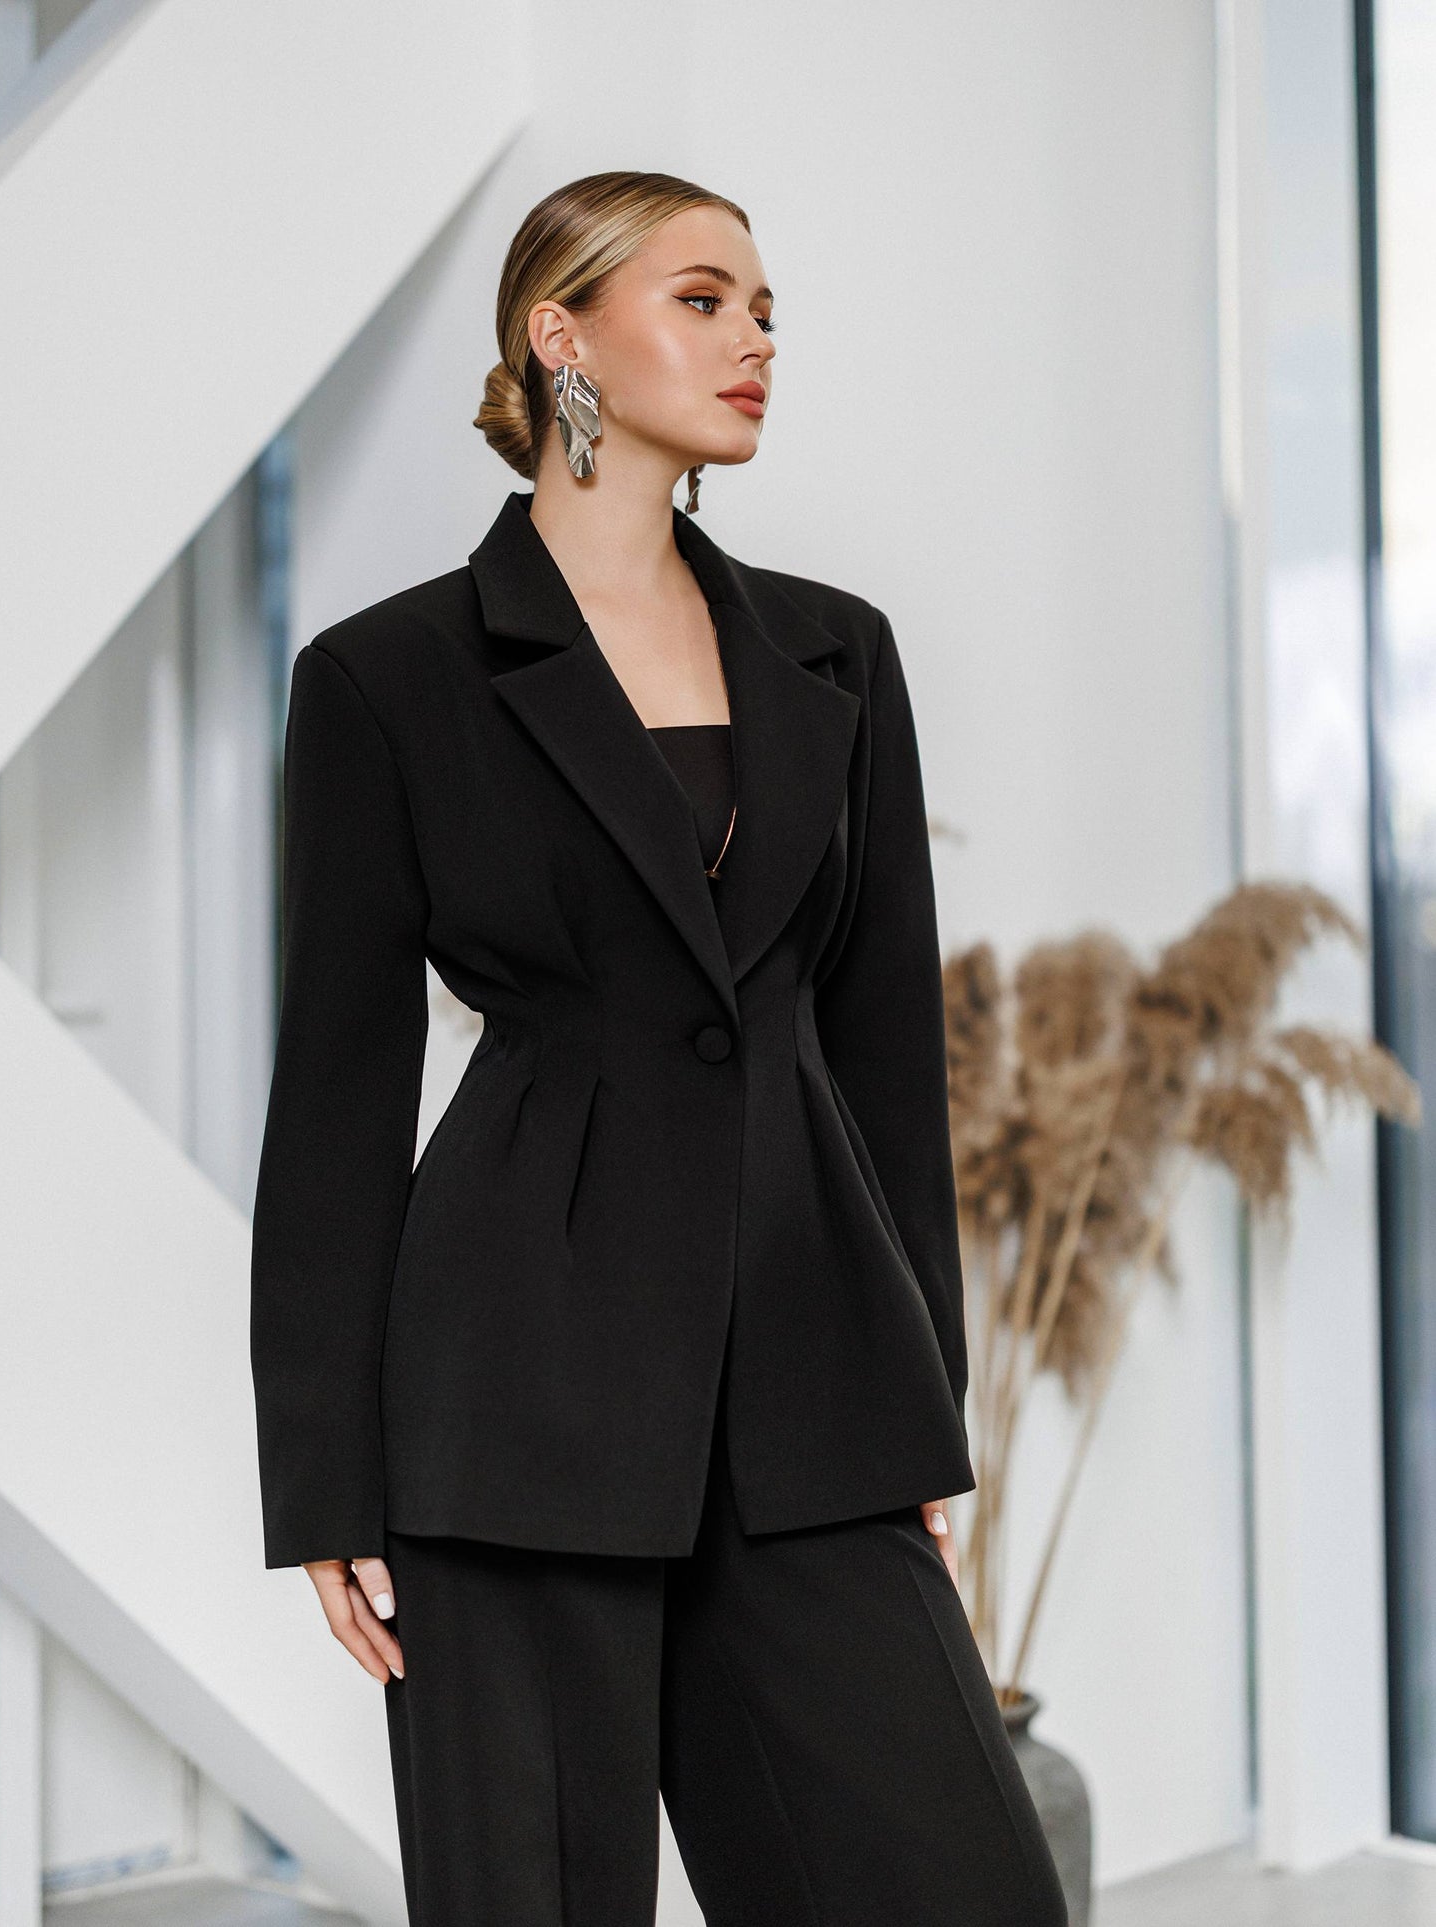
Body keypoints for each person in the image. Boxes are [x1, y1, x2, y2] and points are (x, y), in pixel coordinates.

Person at [249, 169, 1068, 1925]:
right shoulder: (387, 680)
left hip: (811, 1392)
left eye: (766, 310)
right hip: (507, 1406)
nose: (755, 340)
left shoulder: (836, 654)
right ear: (563, 335)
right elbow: (331, 1099)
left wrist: (925, 1398)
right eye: (704, 300)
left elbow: (877, 1045)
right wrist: (323, 1470)